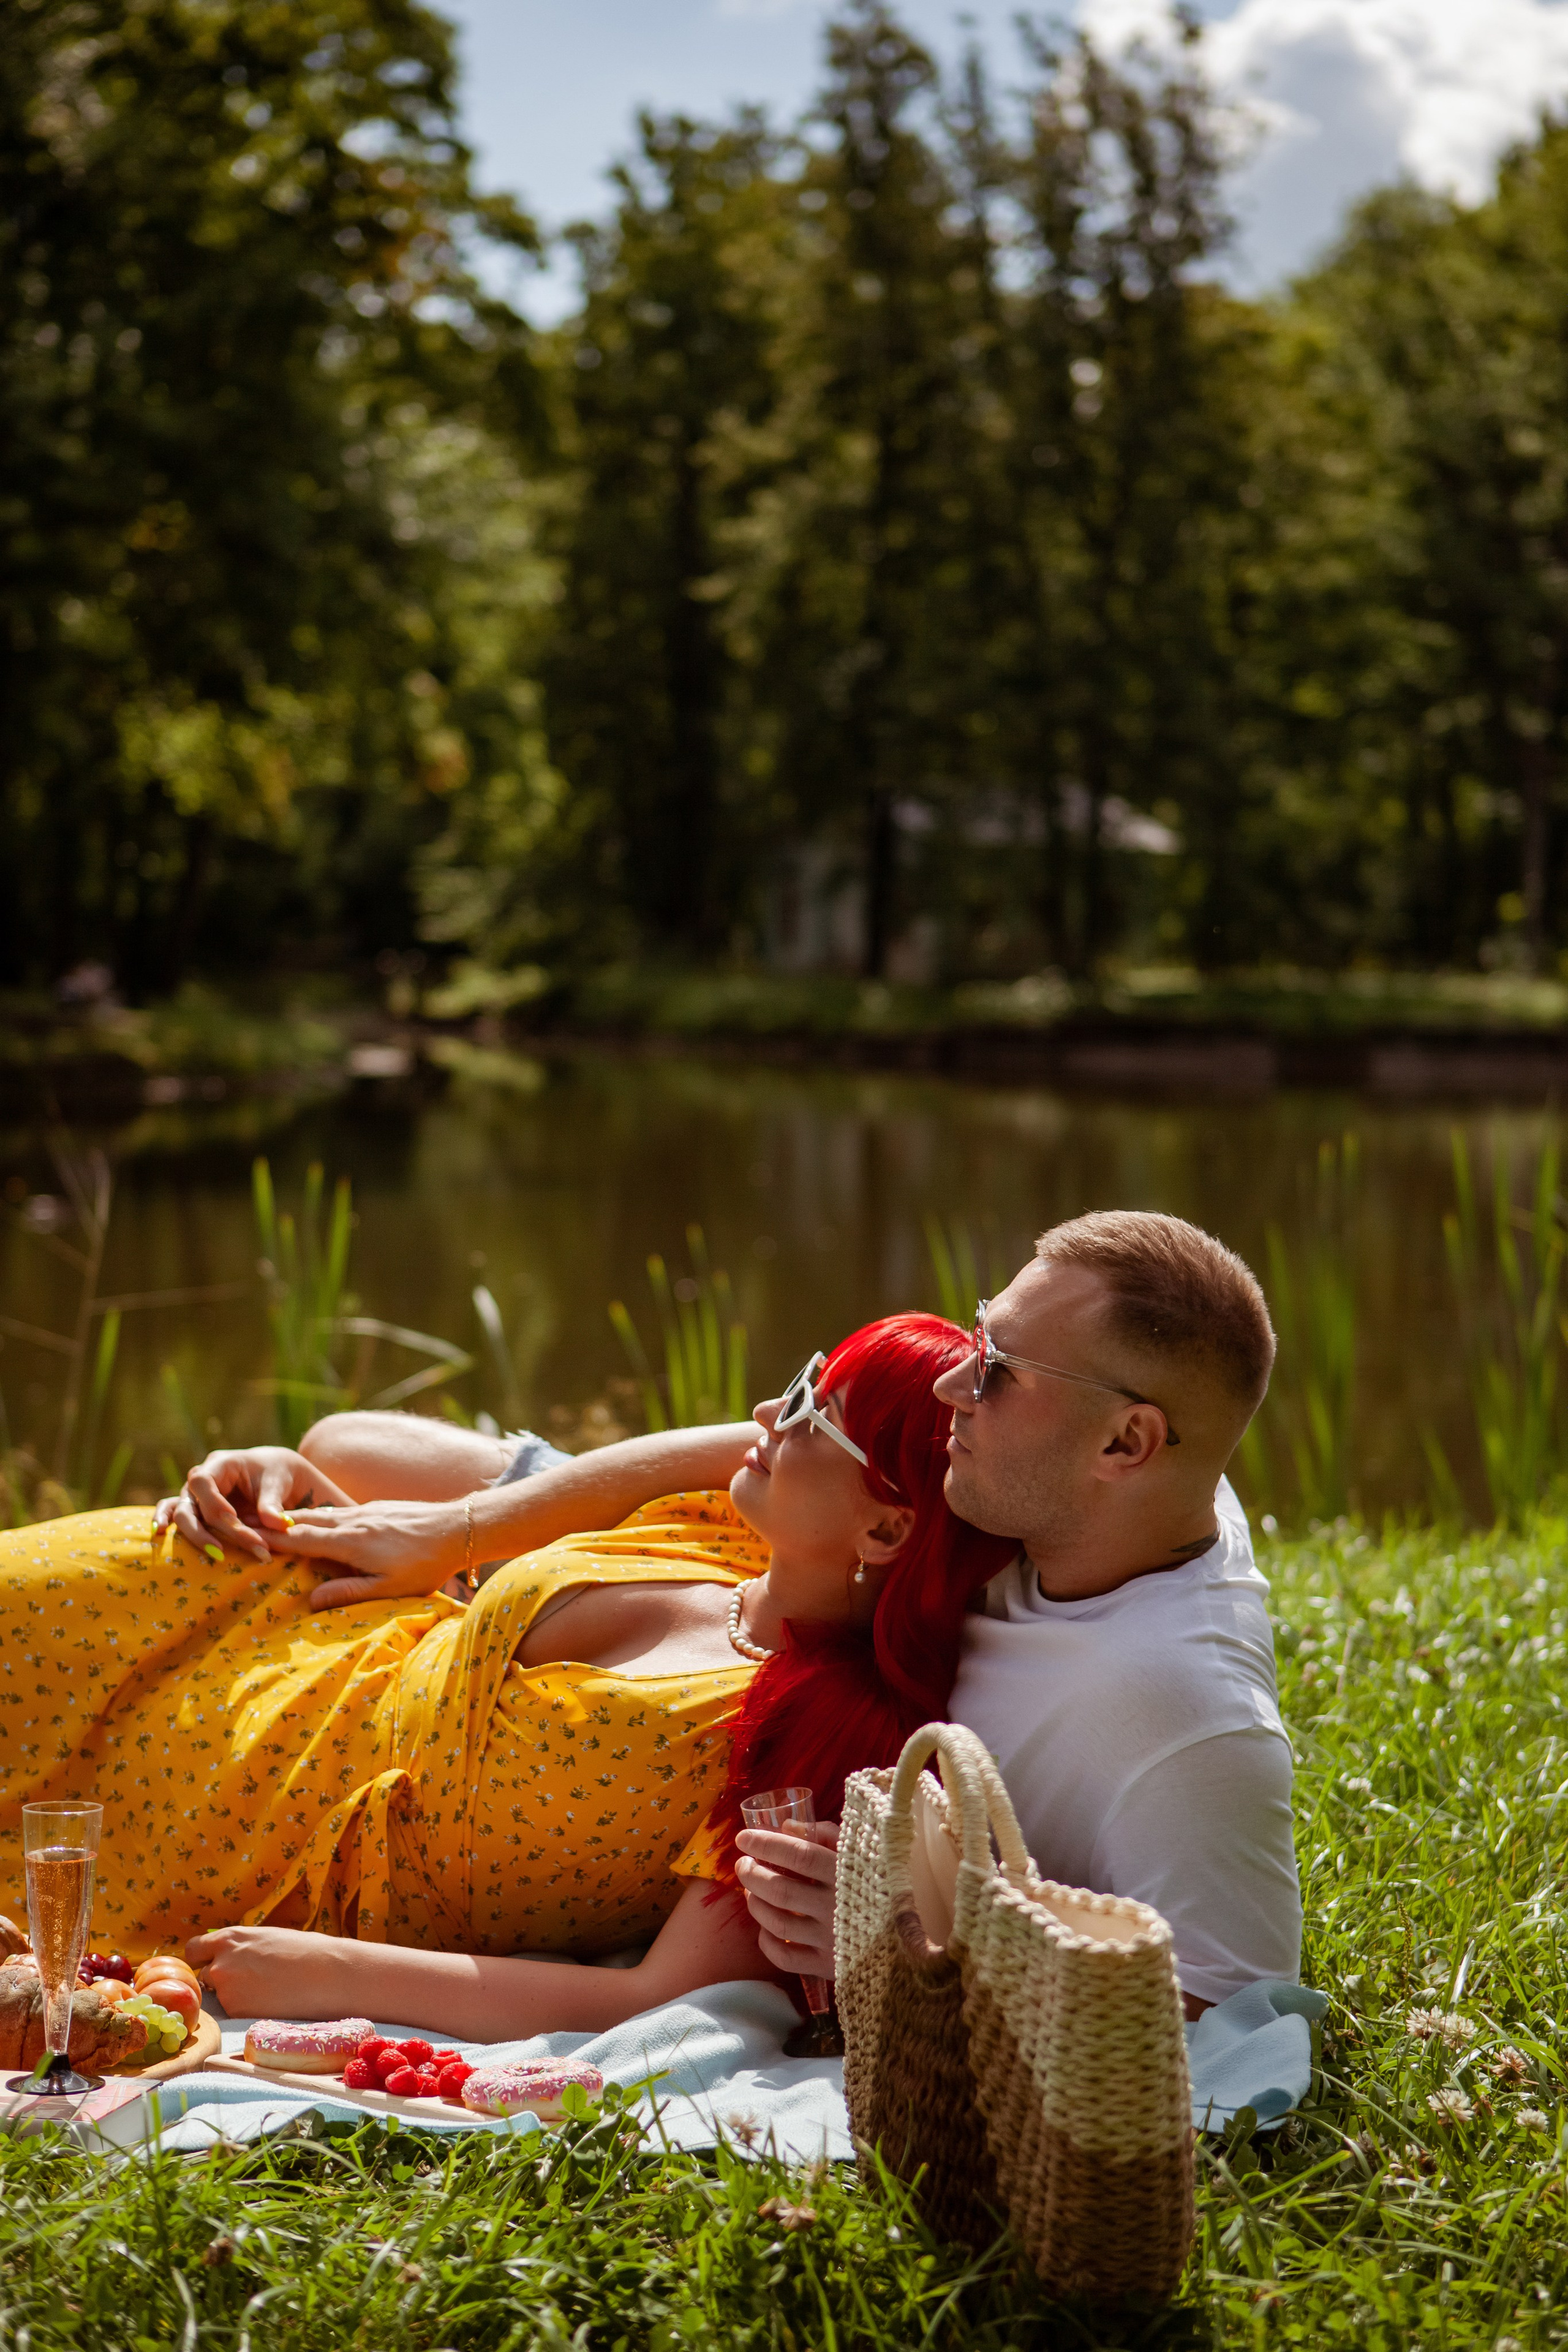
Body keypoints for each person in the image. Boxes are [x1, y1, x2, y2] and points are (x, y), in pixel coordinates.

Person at [0, 1317, 1010, 2038]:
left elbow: (648, 2000)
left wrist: (345, 1972)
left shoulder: (821, 1739)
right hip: (249, 1620)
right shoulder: (723, 1528)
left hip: (248, 1839)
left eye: (805, 1410)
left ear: (885, 1528)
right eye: (800, 1380)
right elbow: (723, 1451)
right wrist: (309, 1496)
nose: (762, 1412)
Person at [735, 1212, 1302, 2021]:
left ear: (1124, 1444)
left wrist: (918, 1940)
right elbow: (808, 1436)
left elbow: (1232, 2013)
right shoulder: (1097, 1497)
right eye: (978, 1336)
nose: (952, 1385)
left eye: (998, 1369)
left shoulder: (1189, 1721)